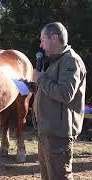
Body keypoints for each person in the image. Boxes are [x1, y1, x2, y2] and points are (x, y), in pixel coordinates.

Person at [34, 22, 86, 180]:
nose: (41, 45)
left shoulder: (71, 61)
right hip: (47, 130)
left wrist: (41, 79)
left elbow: (65, 94)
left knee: (59, 177)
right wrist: (33, 86)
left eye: (43, 39)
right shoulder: (57, 61)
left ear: (54, 38)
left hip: (59, 133)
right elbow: (52, 91)